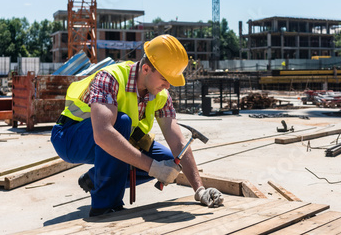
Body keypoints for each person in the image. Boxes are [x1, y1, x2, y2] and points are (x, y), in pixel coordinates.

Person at [51, 35, 224, 217]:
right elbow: (103, 134)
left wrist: (200, 190)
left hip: (111, 138)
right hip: (70, 138)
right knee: (122, 122)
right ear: (146, 68)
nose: (168, 86)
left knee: (167, 160)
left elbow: (178, 143)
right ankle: (104, 207)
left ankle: (97, 177)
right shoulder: (110, 78)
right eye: (165, 79)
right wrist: (152, 167)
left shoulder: (161, 95)